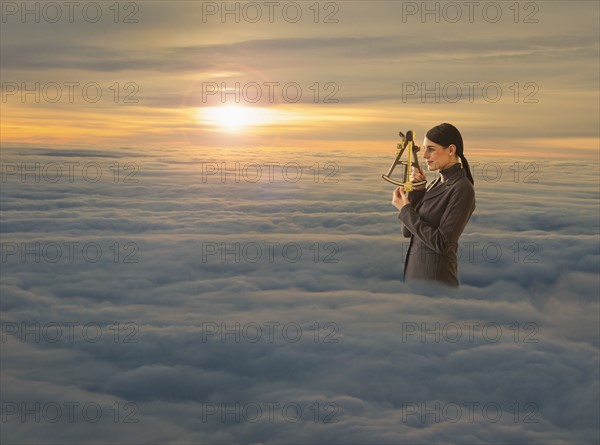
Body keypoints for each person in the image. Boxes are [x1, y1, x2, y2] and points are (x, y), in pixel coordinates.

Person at [391, 123, 475, 287]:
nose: (424, 155)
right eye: (424, 149)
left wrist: (405, 209)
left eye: (431, 149)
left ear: (451, 150)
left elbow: (443, 244)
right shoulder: (437, 182)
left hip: (437, 282)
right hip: (416, 278)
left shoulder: (463, 188)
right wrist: (417, 190)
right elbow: (407, 232)